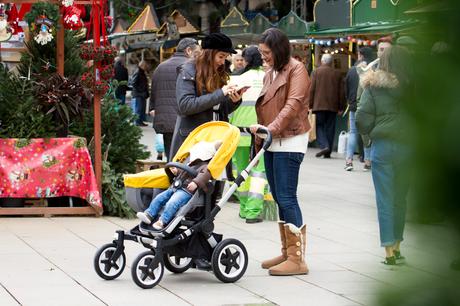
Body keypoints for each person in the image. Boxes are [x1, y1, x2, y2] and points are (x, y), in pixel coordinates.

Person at [250, 28, 310, 276]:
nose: (263, 57)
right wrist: (264, 132)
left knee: (286, 197)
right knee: (277, 196)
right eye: (261, 53)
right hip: (272, 139)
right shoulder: (271, 72)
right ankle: (287, 252)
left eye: (266, 53)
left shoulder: (297, 69)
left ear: (278, 49)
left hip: (290, 140)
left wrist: (270, 129)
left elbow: (293, 105)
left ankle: (297, 260)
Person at [356, 46, 412, 265]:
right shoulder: (414, 87)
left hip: (383, 146)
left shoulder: (373, 86)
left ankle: (388, 251)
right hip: (408, 146)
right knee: (401, 198)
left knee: (385, 199)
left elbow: (362, 117)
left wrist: (369, 137)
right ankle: (398, 245)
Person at [170, 32, 243, 160]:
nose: (222, 62)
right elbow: (186, 105)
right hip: (194, 139)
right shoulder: (188, 70)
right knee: (193, 179)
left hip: (216, 137)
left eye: (225, 57)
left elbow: (218, 108)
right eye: (221, 56)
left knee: (216, 178)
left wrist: (234, 101)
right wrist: (221, 93)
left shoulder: (218, 72)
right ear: (209, 54)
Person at [229, 45, 274, 223]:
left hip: (239, 133)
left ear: (245, 60)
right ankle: (253, 212)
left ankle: (243, 207)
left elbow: (229, 110)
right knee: (259, 172)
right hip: (261, 133)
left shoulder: (236, 79)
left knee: (241, 171)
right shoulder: (268, 79)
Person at [137, 140, 222, 229]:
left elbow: (204, 176)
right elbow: (184, 172)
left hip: (186, 191)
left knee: (172, 203)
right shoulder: (191, 163)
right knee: (159, 198)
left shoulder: (205, 167)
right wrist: (177, 171)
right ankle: (149, 214)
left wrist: (196, 183)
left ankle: (162, 221)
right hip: (176, 187)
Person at [149, 38, 201, 161]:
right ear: (188, 51)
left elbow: (153, 97)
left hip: (166, 124)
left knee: (171, 160)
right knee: (188, 162)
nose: (199, 57)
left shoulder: (160, 67)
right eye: (197, 53)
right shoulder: (191, 67)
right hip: (186, 123)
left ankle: (172, 180)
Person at [308, 54, 345, 158]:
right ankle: (328, 152)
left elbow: (312, 89)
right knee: (330, 128)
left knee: (319, 126)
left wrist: (309, 104)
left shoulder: (316, 72)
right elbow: (342, 92)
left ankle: (324, 145)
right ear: (331, 62)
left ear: (322, 61)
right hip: (333, 106)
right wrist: (341, 107)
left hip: (318, 105)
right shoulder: (337, 74)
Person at [344, 47, 375, 171]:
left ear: (361, 55)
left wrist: (350, 101)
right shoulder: (372, 70)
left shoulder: (352, 71)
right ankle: (367, 161)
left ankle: (349, 161)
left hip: (353, 106)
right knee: (366, 133)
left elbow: (346, 88)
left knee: (353, 132)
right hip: (368, 107)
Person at [131, 60, 149, 126]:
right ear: (142, 65)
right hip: (139, 94)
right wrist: (140, 91)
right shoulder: (138, 72)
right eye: (145, 66)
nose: (146, 67)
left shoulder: (141, 72)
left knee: (141, 109)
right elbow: (133, 83)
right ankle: (137, 122)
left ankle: (140, 121)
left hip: (141, 94)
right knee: (138, 109)